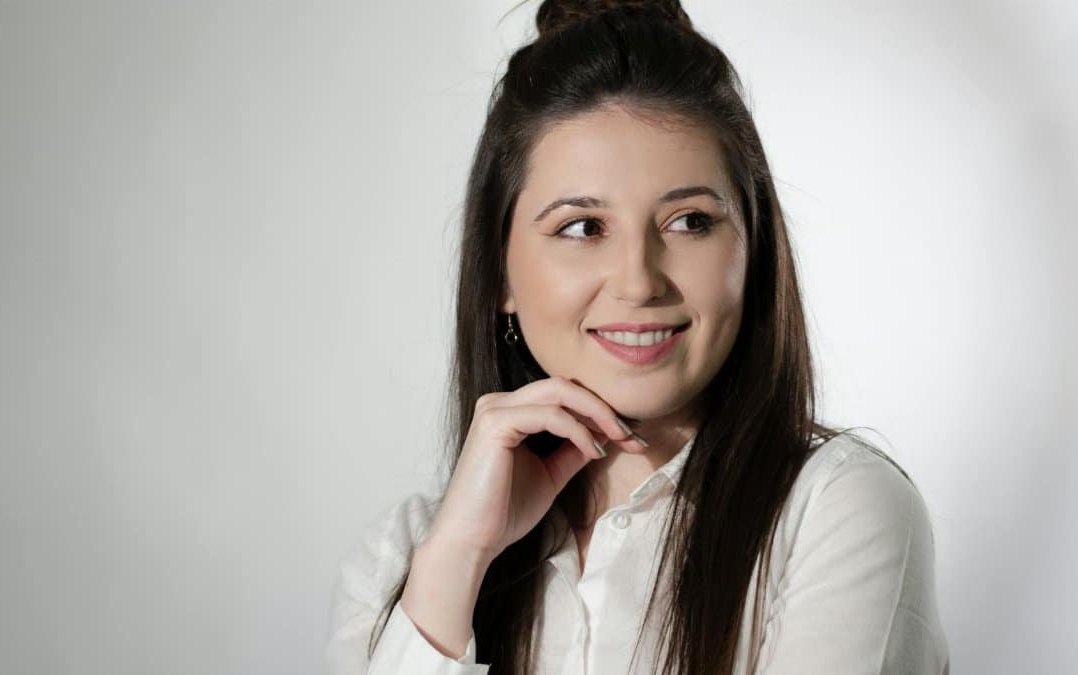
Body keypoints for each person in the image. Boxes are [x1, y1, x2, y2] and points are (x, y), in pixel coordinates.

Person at [324, 0, 950, 673]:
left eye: (689, 222)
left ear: (754, 250)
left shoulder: (834, 512)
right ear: (499, 272)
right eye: (582, 228)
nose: (638, 282)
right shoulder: (406, 558)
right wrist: (459, 557)